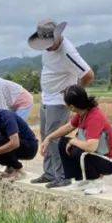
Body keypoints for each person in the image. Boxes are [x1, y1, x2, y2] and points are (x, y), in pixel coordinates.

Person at [27, 19, 94, 188]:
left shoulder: (68, 52)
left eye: (49, 44)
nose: (47, 47)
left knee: (55, 138)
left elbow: (88, 75)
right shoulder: (46, 48)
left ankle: (63, 175)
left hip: (59, 101)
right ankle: (50, 173)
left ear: (58, 36)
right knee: (46, 136)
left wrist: (72, 96)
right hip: (46, 98)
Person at [40, 85, 112, 195]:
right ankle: (82, 180)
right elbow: (68, 127)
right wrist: (49, 138)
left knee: (77, 147)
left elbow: (91, 147)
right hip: (99, 155)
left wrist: (73, 141)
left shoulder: (94, 117)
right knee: (63, 142)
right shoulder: (83, 113)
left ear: (72, 107)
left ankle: (97, 183)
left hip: (111, 161)